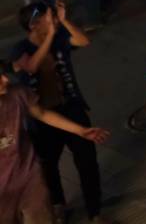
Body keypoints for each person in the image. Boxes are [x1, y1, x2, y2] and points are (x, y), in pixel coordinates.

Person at [12, 1, 108, 224]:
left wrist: (65, 22)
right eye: (49, 18)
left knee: (87, 161)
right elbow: (31, 66)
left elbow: (84, 41)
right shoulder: (21, 49)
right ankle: (58, 206)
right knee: (48, 166)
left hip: (71, 106)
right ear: (34, 25)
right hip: (42, 116)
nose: (54, 21)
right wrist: (49, 36)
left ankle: (95, 213)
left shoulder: (59, 36)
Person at [0, 57, 110, 224]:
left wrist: (80, 130)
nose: (6, 79)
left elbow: (42, 114)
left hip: (30, 178)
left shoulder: (18, 94)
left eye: (3, 74)